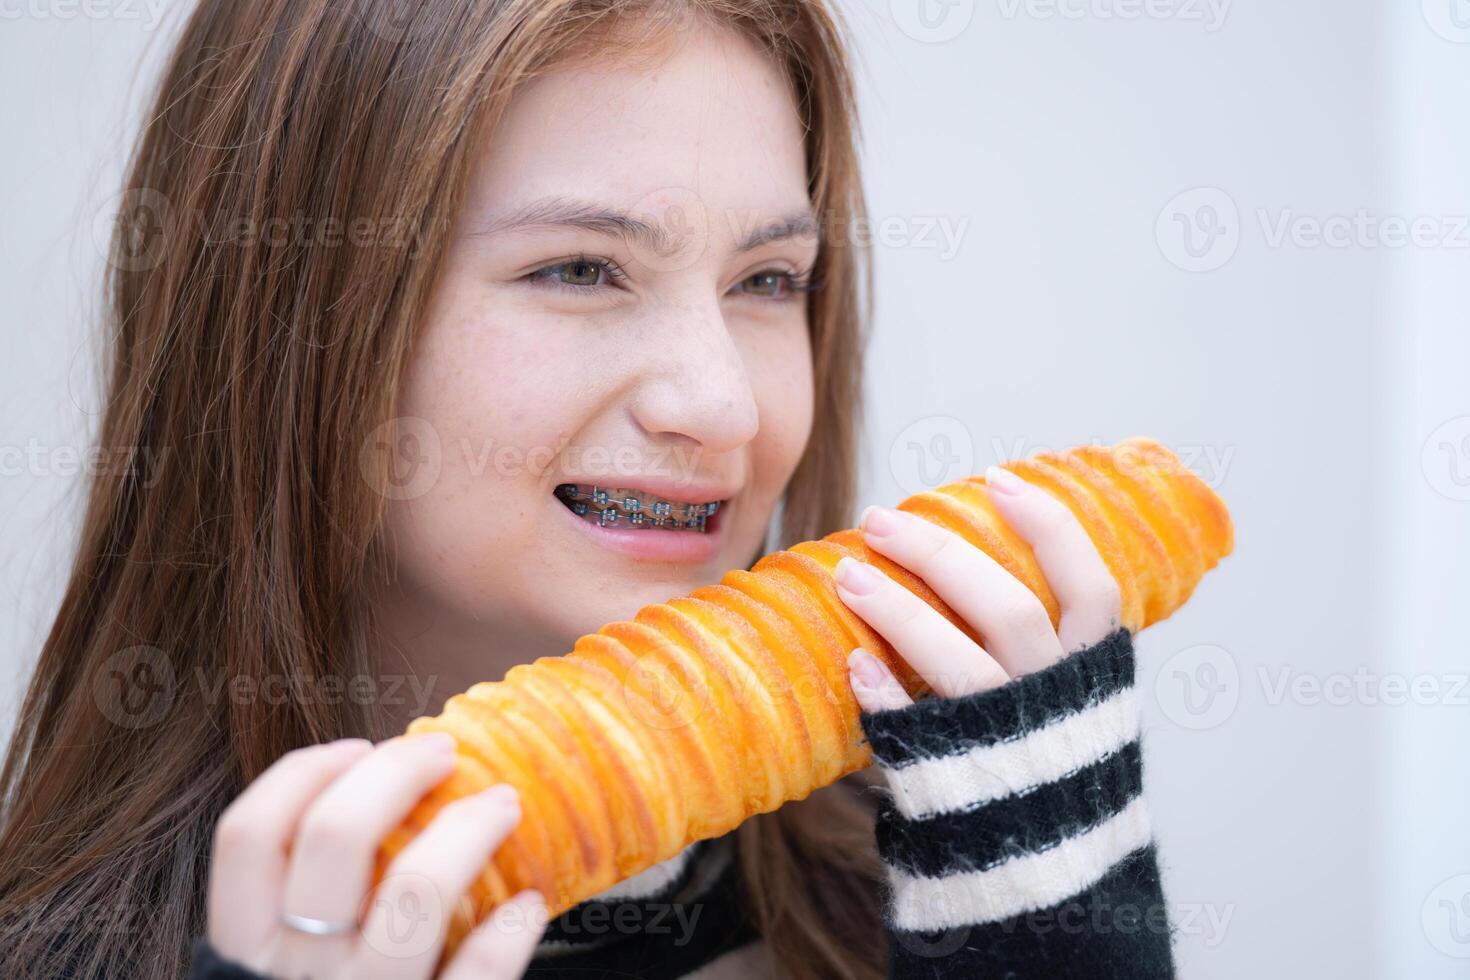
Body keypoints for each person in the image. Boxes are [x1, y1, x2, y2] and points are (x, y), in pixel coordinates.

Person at [0, 1, 1175, 977]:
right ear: (292, 326)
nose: (723, 406)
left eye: (769, 279)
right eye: (579, 268)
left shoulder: (948, 876)